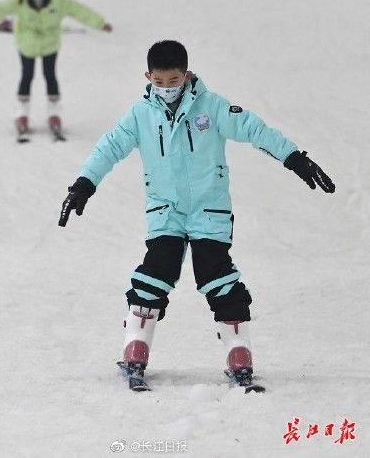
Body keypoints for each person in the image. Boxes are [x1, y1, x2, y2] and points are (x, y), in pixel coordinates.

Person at [58, 40, 335, 388]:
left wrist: (294, 158)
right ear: (148, 77)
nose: (166, 89)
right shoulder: (140, 115)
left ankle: (239, 353)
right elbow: (108, 148)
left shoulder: (212, 108)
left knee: (217, 276)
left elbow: (254, 129)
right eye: (159, 83)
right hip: (166, 211)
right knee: (155, 272)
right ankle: (135, 347)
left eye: (173, 82)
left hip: (209, 210)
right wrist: (83, 185)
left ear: (186, 75)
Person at [0, 0, 112, 138]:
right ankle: (22, 113)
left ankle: (54, 113)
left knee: (50, 75)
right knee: (27, 75)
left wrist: (100, 23)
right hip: (27, 43)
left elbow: (79, 10)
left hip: (50, 43)